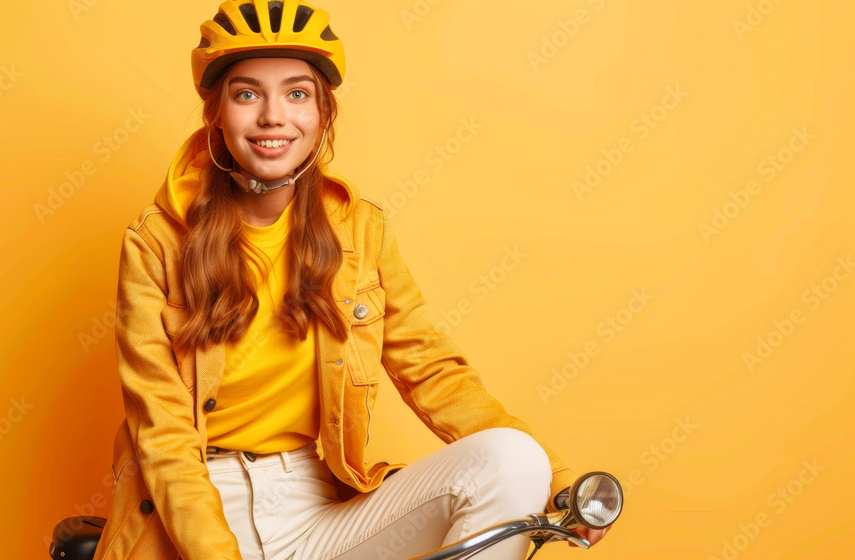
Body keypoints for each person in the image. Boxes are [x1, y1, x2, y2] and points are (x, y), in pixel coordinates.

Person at [90, 2, 612, 559]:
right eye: (247, 94)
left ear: (322, 114)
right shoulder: (155, 243)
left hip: (316, 510)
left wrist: (557, 480)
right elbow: (163, 436)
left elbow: (432, 370)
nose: (273, 116)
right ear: (216, 113)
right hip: (195, 516)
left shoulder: (361, 231)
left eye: (297, 94)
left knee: (513, 458)